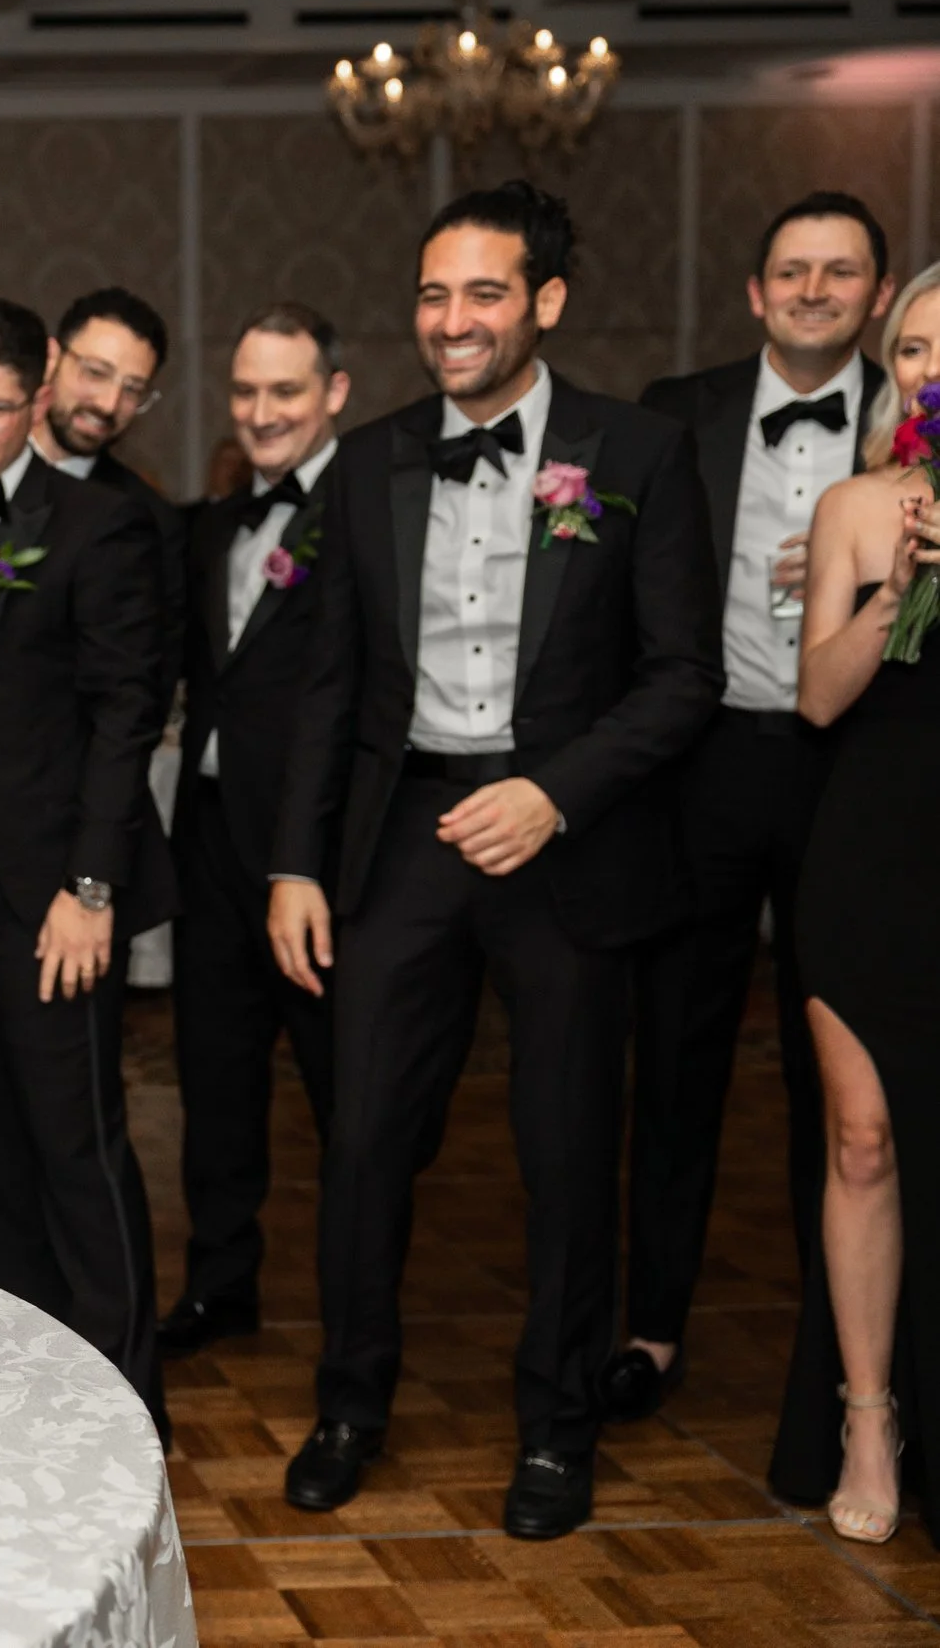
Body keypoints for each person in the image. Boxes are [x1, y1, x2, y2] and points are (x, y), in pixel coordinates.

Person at [267, 180, 719, 1539]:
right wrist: (296, 861)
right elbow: (331, 683)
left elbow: (684, 674)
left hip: (559, 837)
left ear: (547, 303)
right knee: (361, 1138)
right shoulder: (372, 459)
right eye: (432, 294)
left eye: (482, 293)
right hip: (403, 831)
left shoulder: (635, 451)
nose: (451, 320)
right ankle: (350, 1402)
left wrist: (553, 793)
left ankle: (558, 1424)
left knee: (569, 1144)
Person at [616, 193, 894, 1459]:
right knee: (676, 1055)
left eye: (841, 272)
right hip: (704, 764)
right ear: (753, 291)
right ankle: (652, 1326)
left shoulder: (914, 425)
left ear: (877, 296)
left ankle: (829, 1369)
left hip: (858, 771)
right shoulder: (676, 409)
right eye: (793, 269)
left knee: (834, 1084)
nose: (815, 288)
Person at [0, 297, 176, 1421]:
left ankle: (128, 1405)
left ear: (37, 400)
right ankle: (43, 1377)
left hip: (50, 882)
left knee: (75, 1139)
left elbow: (124, 718)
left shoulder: (98, 525)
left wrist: (90, 887)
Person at [159, 302, 349, 1359]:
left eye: (285, 390)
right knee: (215, 1078)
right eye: (245, 392)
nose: (262, 411)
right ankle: (221, 1282)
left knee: (342, 1094)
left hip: (319, 853)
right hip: (213, 838)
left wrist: (308, 855)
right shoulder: (217, 526)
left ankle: (354, 1305)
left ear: (332, 393)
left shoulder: (364, 518)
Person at [789, 259, 940, 1546]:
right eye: (910, 350)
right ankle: (865, 1412)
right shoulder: (854, 505)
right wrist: (896, 588)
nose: (925, 372)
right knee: (861, 1134)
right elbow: (819, 698)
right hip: (870, 840)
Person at [34, 286, 188, 702]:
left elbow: (145, 691)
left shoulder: (150, 522)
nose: (108, 403)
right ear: (51, 359)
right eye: (96, 373)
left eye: (133, 389)